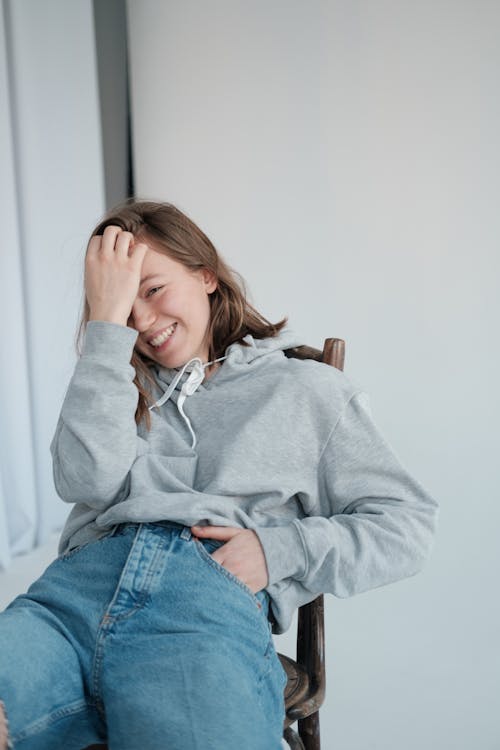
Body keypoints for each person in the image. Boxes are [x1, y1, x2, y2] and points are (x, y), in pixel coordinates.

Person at [0, 199, 439, 750]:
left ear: (205, 275)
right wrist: (103, 332)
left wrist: (278, 550)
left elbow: (408, 526)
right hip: (71, 600)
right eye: (119, 304)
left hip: (202, 607)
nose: (141, 321)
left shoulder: (305, 391)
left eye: (153, 289)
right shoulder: (111, 386)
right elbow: (86, 483)